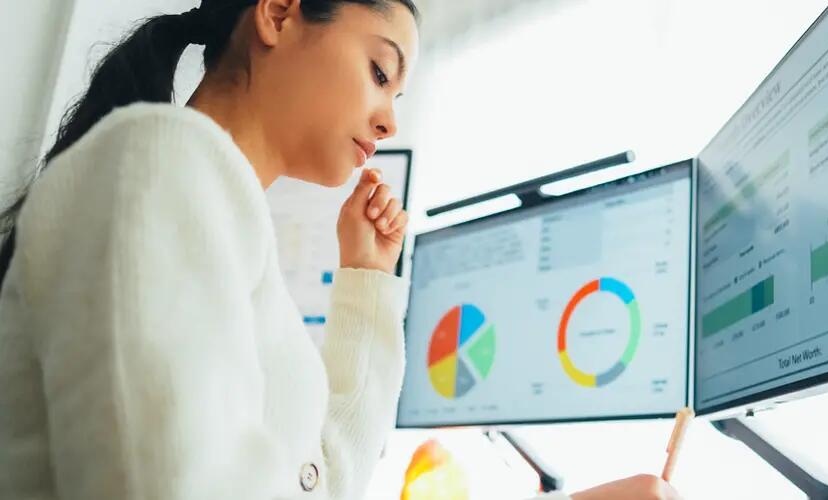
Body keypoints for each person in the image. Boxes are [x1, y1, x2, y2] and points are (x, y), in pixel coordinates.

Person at [0, 1, 682, 499]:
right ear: (278, 13)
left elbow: (319, 479)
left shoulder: (220, 221)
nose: (390, 119)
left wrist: (367, 278)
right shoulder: (160, 158)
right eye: (381, 71)